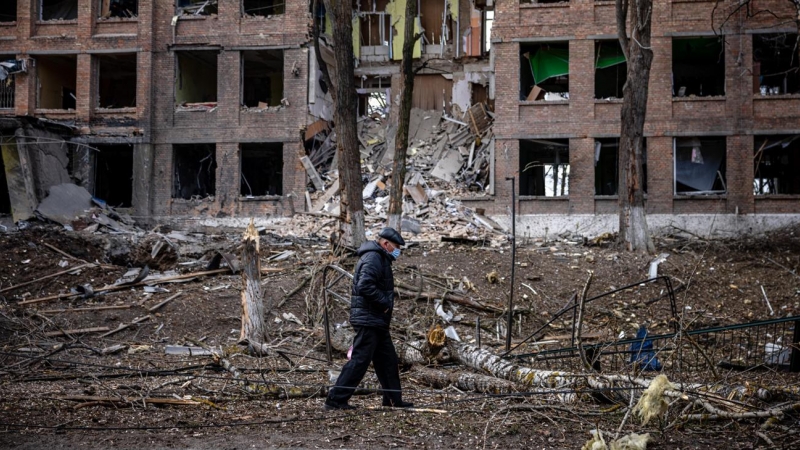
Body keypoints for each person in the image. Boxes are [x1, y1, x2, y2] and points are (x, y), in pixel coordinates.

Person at [324, 227, 414, 410]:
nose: (398, 251)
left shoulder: (380, 258)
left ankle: (392, 400)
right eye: (396, 246)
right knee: (359, 360)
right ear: (386, 244)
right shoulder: (373, 258)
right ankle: (335, 399)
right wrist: (385, 303)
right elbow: (364, 285)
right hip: (369, 319)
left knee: (388, 361)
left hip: (376, 320)